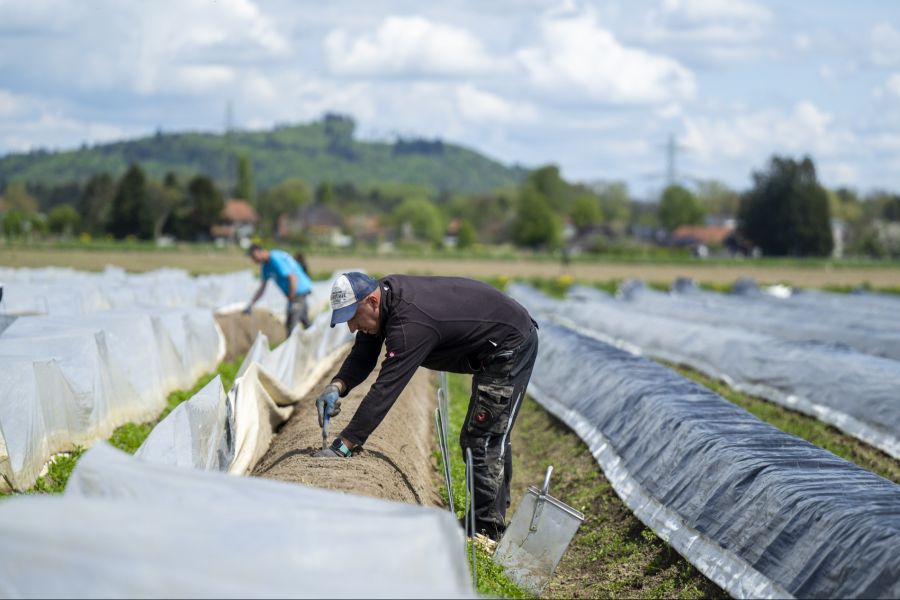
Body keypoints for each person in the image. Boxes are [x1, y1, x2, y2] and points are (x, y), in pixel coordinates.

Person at [314, 272, 538, 541]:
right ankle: (488, 520)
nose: (351, 327)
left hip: (509, 345)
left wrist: (345, 444)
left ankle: (486, 529)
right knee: (490, 434)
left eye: (352, 317)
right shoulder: (383, 304)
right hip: (496, 340)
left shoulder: (410, 322)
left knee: (483, 436)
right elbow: (363, 355)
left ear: (371, 302)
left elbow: (387, 387)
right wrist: (336, 386)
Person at [245, 244, 313, 335]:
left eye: (253, 257)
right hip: (295, 293)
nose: (253, 260)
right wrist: (251, 304)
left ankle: (292, 347)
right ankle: (317, 341)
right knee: (305, 321)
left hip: (298, 292)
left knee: (291, 324)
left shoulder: (275, 259)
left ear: (260, 252)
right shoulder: (266, 266)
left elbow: (293, 278)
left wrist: (291, 297)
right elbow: (262, 288)